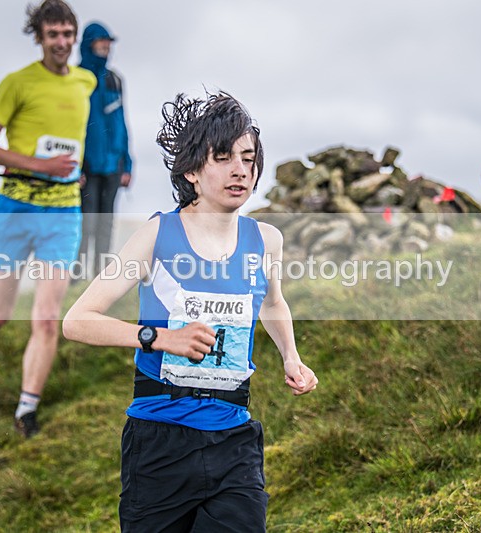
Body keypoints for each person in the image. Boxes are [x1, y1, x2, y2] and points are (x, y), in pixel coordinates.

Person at [62, 91, 318, 531]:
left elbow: (273, 303)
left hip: (234, 439)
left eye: (249, 158)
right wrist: (159, 338)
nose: (241, 169)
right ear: (193, 172)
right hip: (158, 445)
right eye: (223, 157)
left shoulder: (266, 240)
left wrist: (290, 356)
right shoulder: (157, 236)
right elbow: (77, 321)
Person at [0, 0, 96, 438]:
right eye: (52, 34)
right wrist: (41, 166)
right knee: (1, 311)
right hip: (16, 209)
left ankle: (26, 409)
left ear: (75, 36)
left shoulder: (86, 82)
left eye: (67, 33)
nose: (61, 42)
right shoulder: (16, 83)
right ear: (39, 37)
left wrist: (80, 171)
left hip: (62, 213)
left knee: (45, 317)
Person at [76, 21, 133, 280]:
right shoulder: (75, 79)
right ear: (89, 43)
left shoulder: (115, 80)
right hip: (86, 166)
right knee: (85, 223)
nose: (107, 46)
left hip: (113, 164)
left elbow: (122, 123)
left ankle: (101, 275)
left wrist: (127, 165)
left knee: (105, 223)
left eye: (109, 42)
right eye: (102, 41)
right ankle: (75, 276)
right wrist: (75, 167)